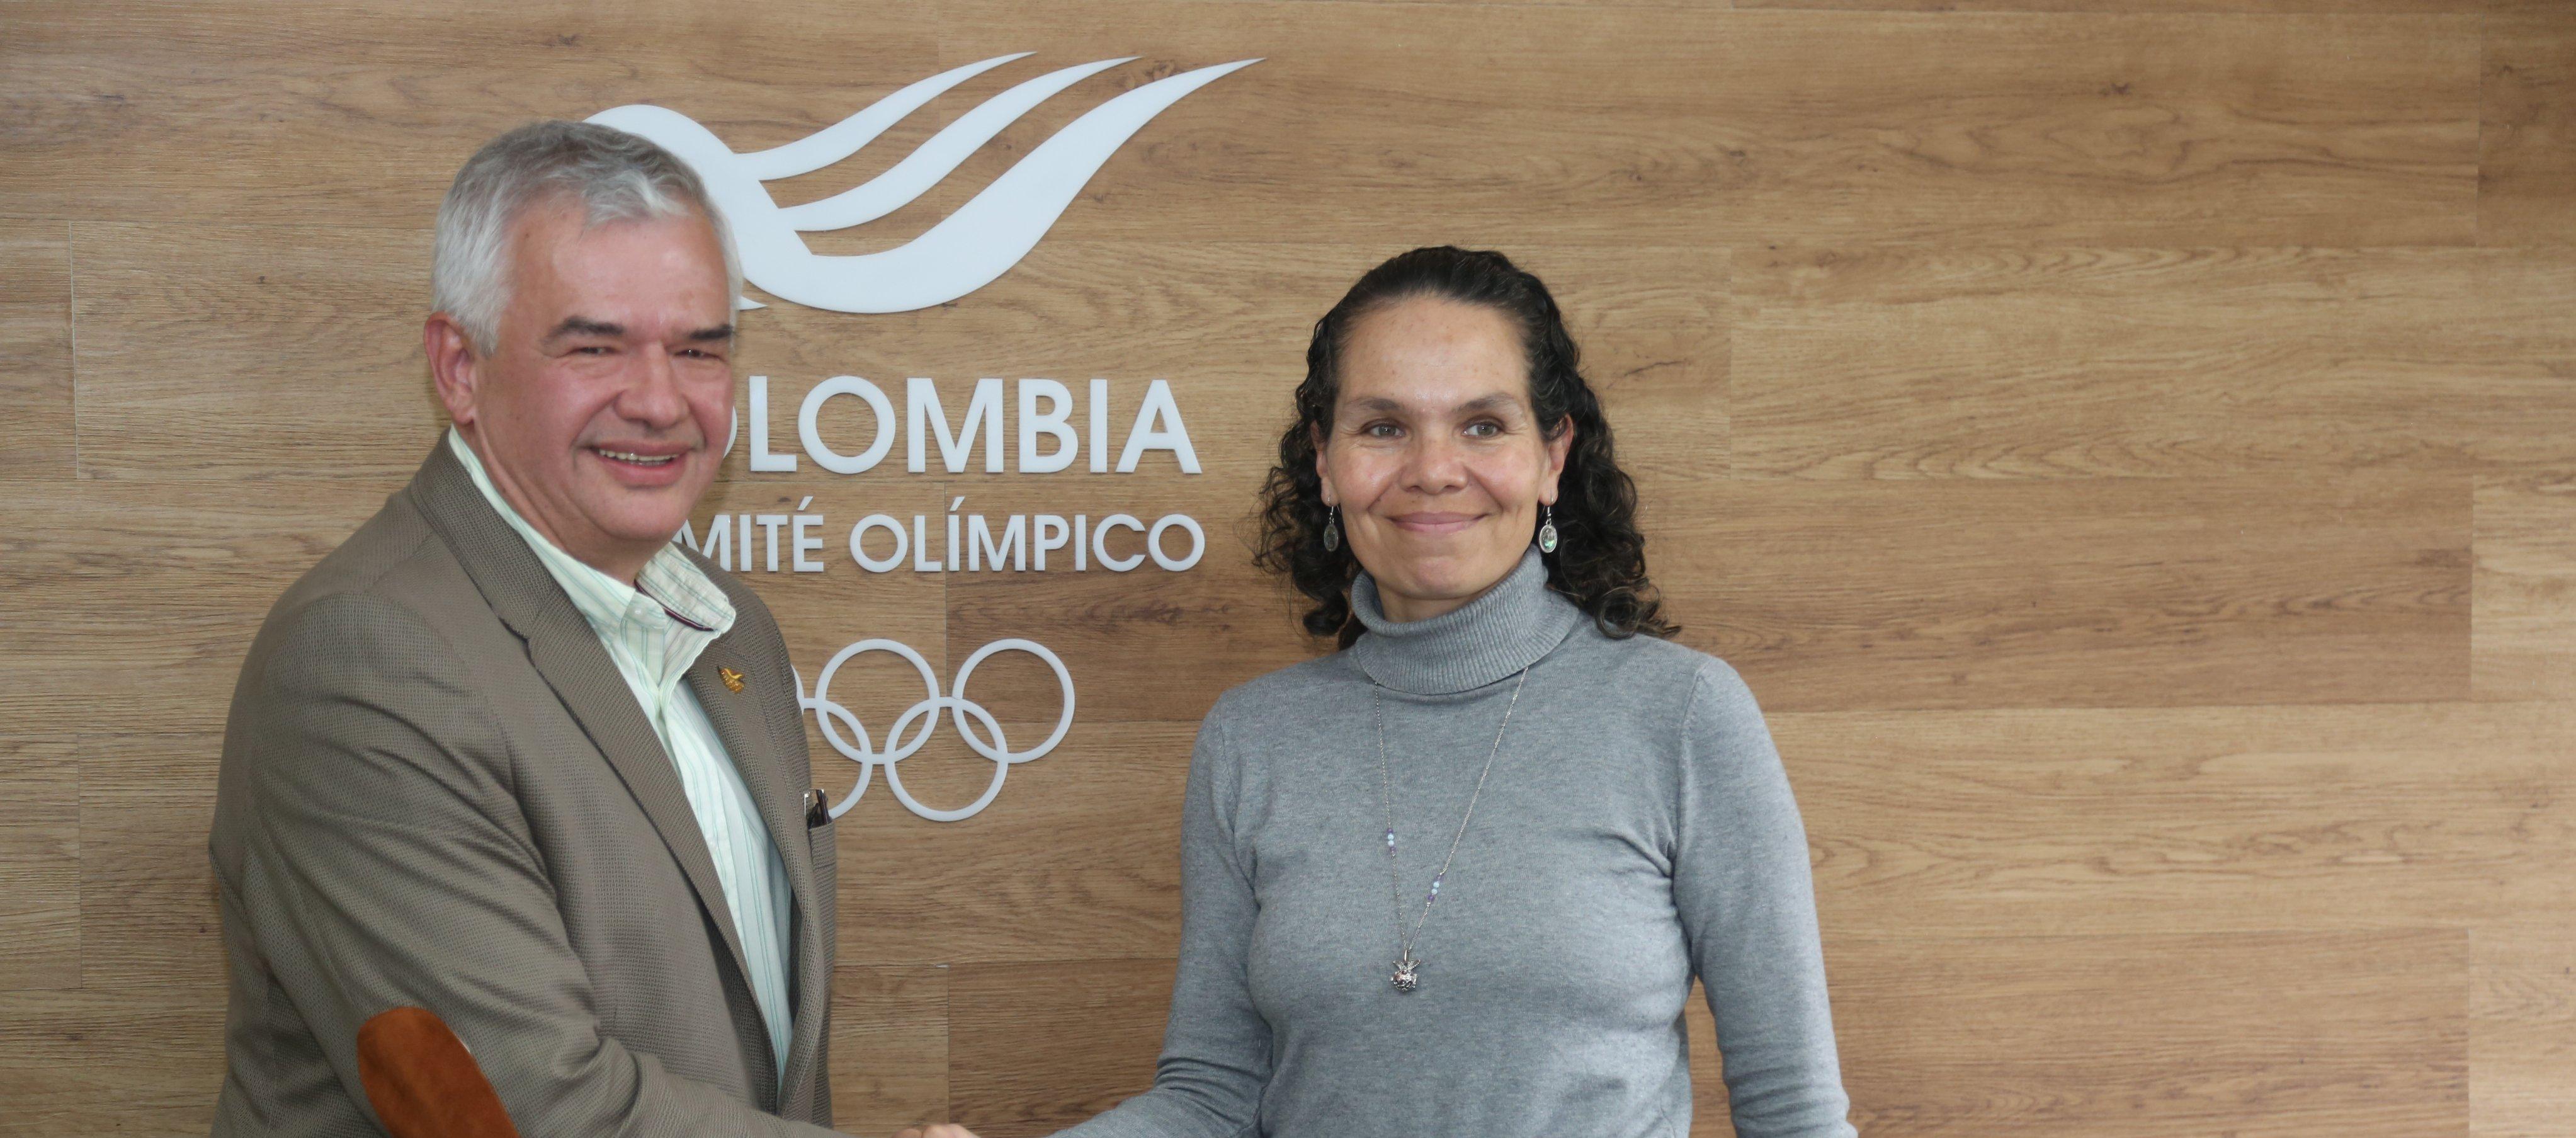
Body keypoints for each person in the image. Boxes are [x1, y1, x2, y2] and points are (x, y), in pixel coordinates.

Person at [912, 246, 1861, 1138]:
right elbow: (1213, 1098)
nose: (1434, 469)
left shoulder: (1682, 714)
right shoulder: (1254, 738)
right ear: (1326, 462)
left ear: (1553, 455)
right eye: (1384, 427)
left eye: (1483, 425)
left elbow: (1794, 1110)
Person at [207, 121, 844, 1134]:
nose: (659, 400)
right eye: (595, 347)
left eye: (699, 350)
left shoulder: (733, 633)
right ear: (459, 368)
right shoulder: (367, 664)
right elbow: (526, 1110)